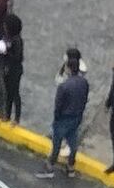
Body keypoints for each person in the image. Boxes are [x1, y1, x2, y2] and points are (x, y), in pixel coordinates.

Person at [37, 48, 88, 178]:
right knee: (72, 141)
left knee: (56, 144)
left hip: (63, 118)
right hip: (76, 117)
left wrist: (57, 118)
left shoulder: (64, 86)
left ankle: (49, 167)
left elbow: (58, 106)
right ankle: (71, 167)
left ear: (68, 69)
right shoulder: (84, 82)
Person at [0, 14, 25, 123]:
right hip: (7, 68)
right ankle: (7, 115)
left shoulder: (17, 40)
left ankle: (17, 118)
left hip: (15, 70)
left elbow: (18, 57)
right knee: (8, 93)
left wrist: (6, 52)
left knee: (14, 93)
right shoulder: (6, 37)